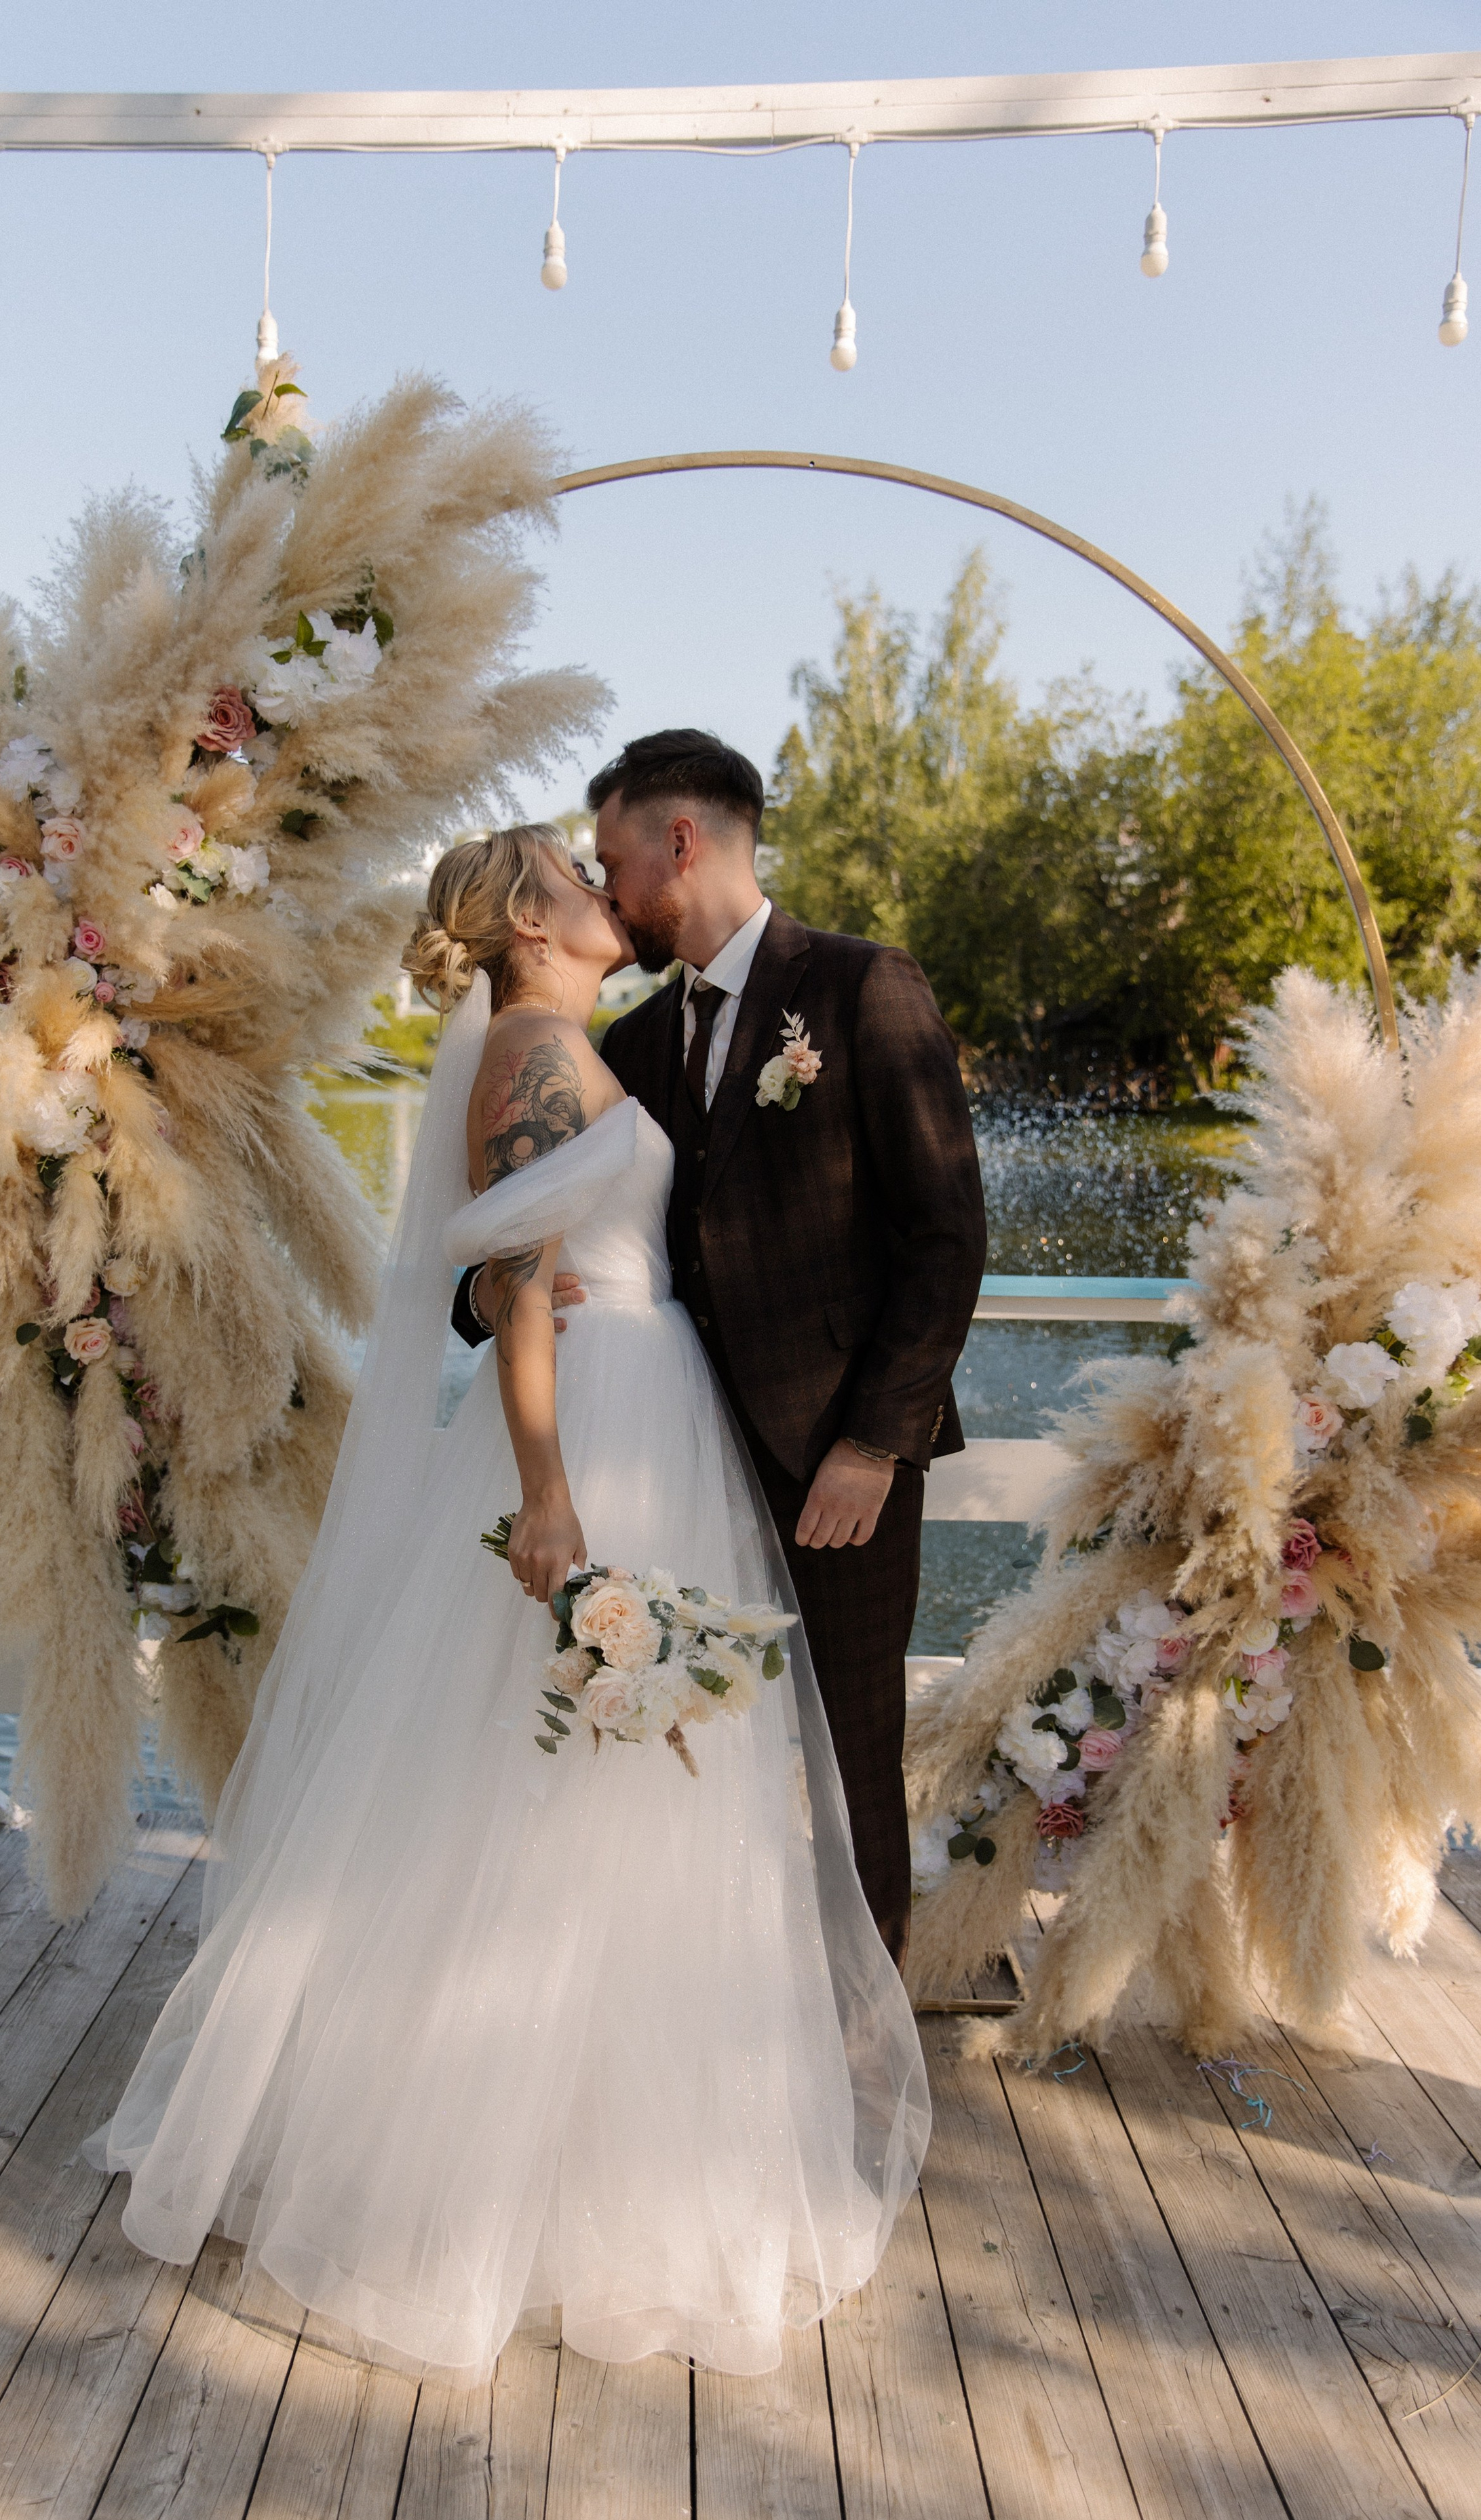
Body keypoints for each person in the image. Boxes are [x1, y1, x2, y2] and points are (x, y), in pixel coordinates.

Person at [88, 823, 929, 2380]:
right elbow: (522, 1284)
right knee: (552, 1775)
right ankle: (496, 2173)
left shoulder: (565, 1044)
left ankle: (638, 2139)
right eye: (569, 871)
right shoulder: (530, 1061)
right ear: (523, 921)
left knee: (633, 1782)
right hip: (594, 1420)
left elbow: (517, 1270)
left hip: (648, 1403)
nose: (602, 890)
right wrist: (546, 1489)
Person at [455, 732, 986, 1961]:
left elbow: (945, 1235)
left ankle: (865, 2047)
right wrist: (488, 1299)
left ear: (677, 843)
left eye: (610, 857)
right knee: (673, 1759)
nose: (605, 884)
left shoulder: (862, 988)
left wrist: (872, 1441)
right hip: (675, 1464)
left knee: (854, 1757)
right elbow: (524, 1236)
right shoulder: (624, 1046)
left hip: (831, 1474)